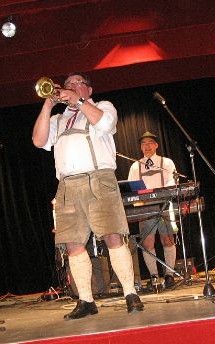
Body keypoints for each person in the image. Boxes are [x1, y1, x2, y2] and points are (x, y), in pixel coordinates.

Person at [32, 72, 143, 320]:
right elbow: (38, 141)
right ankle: (86, 299)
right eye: (68, 84)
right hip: (68, 186)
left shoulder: (103, 106)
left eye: (77, 83)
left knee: (112, 236)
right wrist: (48, 103)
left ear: (88, 89)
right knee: (73, 243)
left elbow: (105, 124)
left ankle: (130, 293)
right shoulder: (58, 119)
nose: (70, 86)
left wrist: (79, 102)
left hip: (98, 179)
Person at [128, 132, 178, 290]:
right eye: (143, 144)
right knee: (148, 243)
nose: (146, 146)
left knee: (167, 240)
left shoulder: (166, 162)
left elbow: (173, 181)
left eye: (150, 143)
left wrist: (160, 191)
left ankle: (169, 275)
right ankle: (154, 277)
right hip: (146, 208)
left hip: (164, 205)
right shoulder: (136, 166)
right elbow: (131, 187)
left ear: (156, 145)